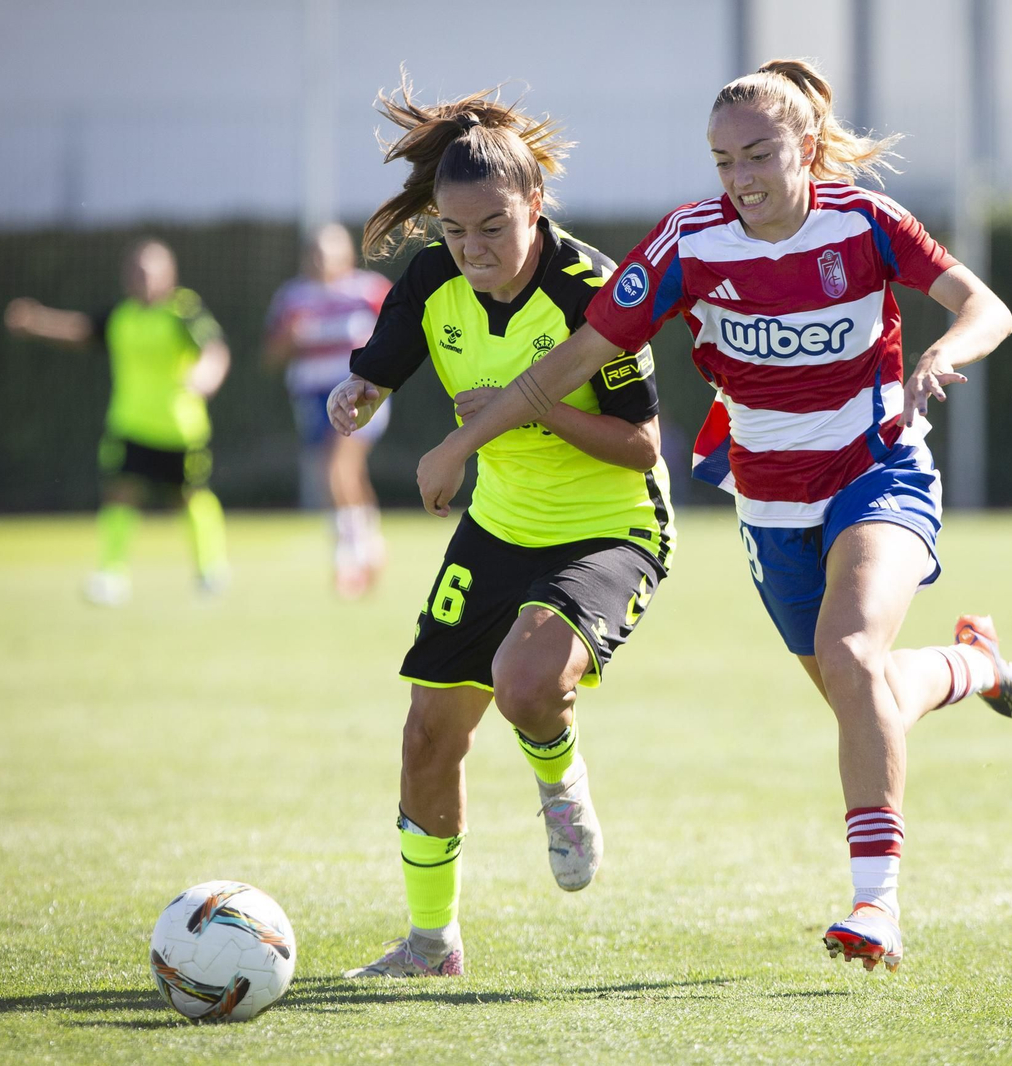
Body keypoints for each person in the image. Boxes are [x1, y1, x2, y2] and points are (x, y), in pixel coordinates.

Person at [413, 59, 1012, 974]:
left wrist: (941, 354)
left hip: (877, 473)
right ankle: (970, 663)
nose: (739, 180)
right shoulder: (688, 242)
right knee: (870, 697)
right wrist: (458, 446)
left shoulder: (863, 223)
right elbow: (570, 363)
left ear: (806, 149)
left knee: (855, 656)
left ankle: (876, 907)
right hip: (771, 502)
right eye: (721, 162)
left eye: (757, 156)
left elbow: (987, 306)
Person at [326, 74, 676, 979]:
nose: (473, 248)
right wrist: (355, 394)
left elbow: (641, 448)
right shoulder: (433, 276)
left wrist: (523, 413)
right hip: (498, 526)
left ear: (535, 205)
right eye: (454, 230)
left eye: (493, 227)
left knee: (526, 684)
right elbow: (380, 369)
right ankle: (430, 943)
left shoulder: (592, 288)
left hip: (608, 526)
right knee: (427, 734)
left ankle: (561, 788)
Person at [5, 238, 230, 606]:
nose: (142, 278)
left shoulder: (183, 310)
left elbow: (214, 349)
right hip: (129, 425)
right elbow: (80, 330)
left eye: (150, 270)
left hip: (179, 429)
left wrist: (207, 375)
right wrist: (36, 322)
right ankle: (111, 575)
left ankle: (210, 569)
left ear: (169, 274)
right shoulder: (121, 315)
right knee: (119, 494)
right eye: (136, 271)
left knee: (188, 498)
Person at [264, 224, 394, 597]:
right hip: (311, 397)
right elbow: (271, 357)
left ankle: (348, 559)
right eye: (316, 254)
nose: (323, 261)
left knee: (340, 468)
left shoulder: (369, 291)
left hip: (360, 394)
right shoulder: (292, 297)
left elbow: (403, 333)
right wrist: (288, 338)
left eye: (330, 253)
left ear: (348, 255)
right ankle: (370, 543)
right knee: (338, 474)